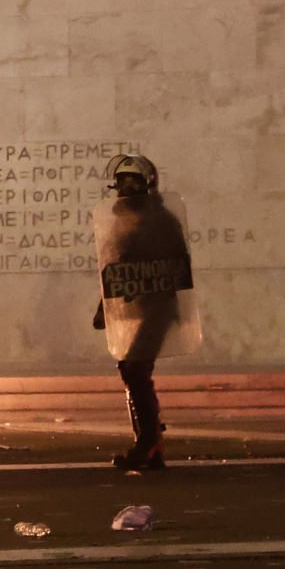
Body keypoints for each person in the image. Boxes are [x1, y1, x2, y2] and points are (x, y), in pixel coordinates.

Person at [91, 152, 195, 474]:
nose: (126, 189)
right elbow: (115, 268)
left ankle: (148, 442)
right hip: (140, 305)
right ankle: (150, 443)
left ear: (147, 185)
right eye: (121, 182)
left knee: (135, 369)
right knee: (132, 368)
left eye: (132, 182)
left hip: (159, 305)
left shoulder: (160, 221)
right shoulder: (125, 221)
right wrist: (105, 306)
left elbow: (175, 264)